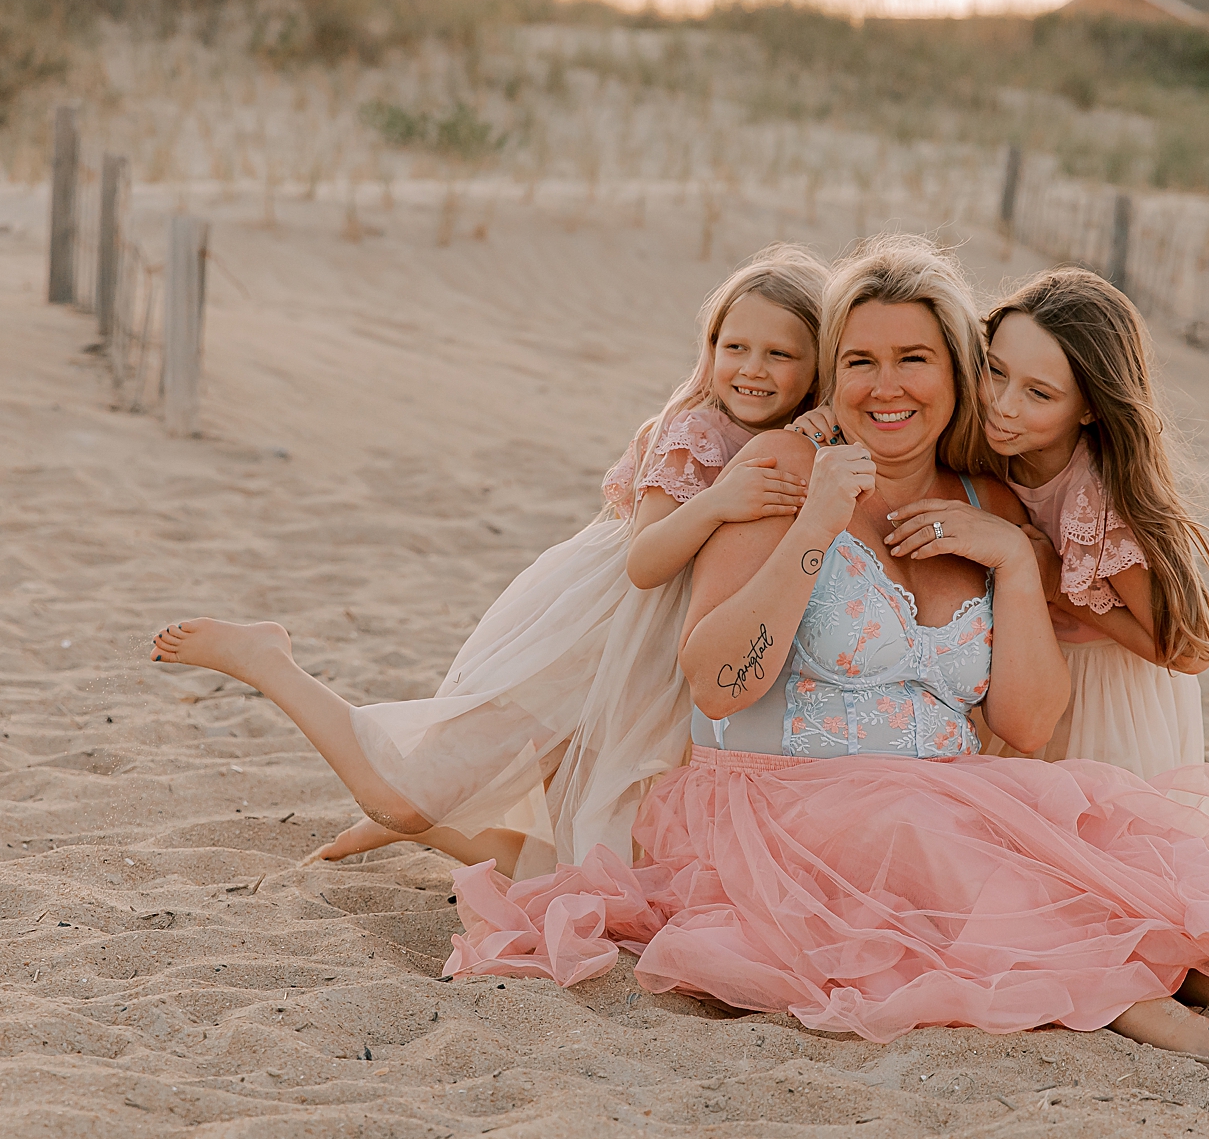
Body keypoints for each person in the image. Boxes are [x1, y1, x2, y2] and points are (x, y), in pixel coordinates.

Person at [446, 235, 1209, 1103]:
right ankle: (1198, 1047)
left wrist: (1007, 556)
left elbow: (1032, 724)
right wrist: (817, 518)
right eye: (858, 361)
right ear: (831, 373)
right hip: (778, 807)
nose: (885, 385)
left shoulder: (993, 506)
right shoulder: (775, 467)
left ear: (956, 375)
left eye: (914, 359)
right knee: (965, 851)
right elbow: (719, 683)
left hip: (954, 794)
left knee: (1133, 869)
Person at [147, 246, 829, 878]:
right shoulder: (698, 431)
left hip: (652, 664)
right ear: (709, 347)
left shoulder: (794, 435)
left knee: (574, 855)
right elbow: (646, 561)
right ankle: (268, 661)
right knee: (408, 796)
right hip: (590, 638)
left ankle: (409, 823)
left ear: (815, 367)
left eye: (779, 354)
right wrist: (721, 502)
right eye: (734, 346)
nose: (751, 369)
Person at [980, 267, 1209, 777]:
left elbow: (1189, 650)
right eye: (995, 371)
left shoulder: (1098, 503)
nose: (1003, 405)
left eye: (1039, 394)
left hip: (1101, 694)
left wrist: (1053, 585)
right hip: (1019, 672)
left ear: (1089, 408)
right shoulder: (985, 444)